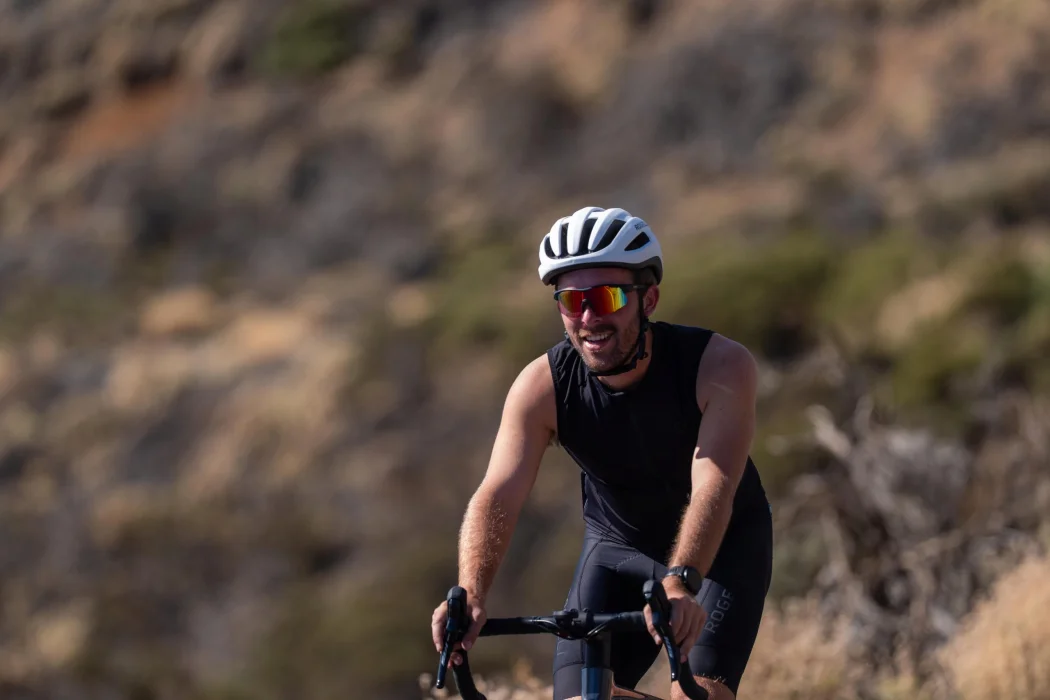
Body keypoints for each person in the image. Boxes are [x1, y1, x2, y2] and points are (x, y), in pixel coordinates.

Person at [431, 206, 773, 700]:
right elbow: (498, 493)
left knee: (698, 695)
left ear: (648, 299)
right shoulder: (541, 387)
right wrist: (471, 593)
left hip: (719, 551)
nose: (589, 318)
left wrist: (680, 582)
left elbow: (713, 487)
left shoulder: (718, 367)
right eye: (573, 302)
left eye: (606, 297)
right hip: (616, 551)